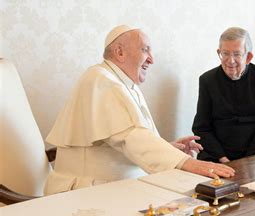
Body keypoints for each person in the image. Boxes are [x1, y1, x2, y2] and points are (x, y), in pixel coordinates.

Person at [44, 25, 234, 195]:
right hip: (85, 192)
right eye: (145, 50)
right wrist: (189, 163)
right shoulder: (100, 79)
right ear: (120, 52)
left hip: (116, 186)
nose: (151, 59)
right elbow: (130, 137)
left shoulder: (125, 84)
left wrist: (169, 148)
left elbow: (126, 138)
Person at [192, 27, 255, 163]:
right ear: (219, 53)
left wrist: (247, 161)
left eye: (237, 54)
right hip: (218, 156)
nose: (230, 60)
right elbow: (201, 128)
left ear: (248, 57)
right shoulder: (207, 80)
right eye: (225, 53)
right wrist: (222, 158)